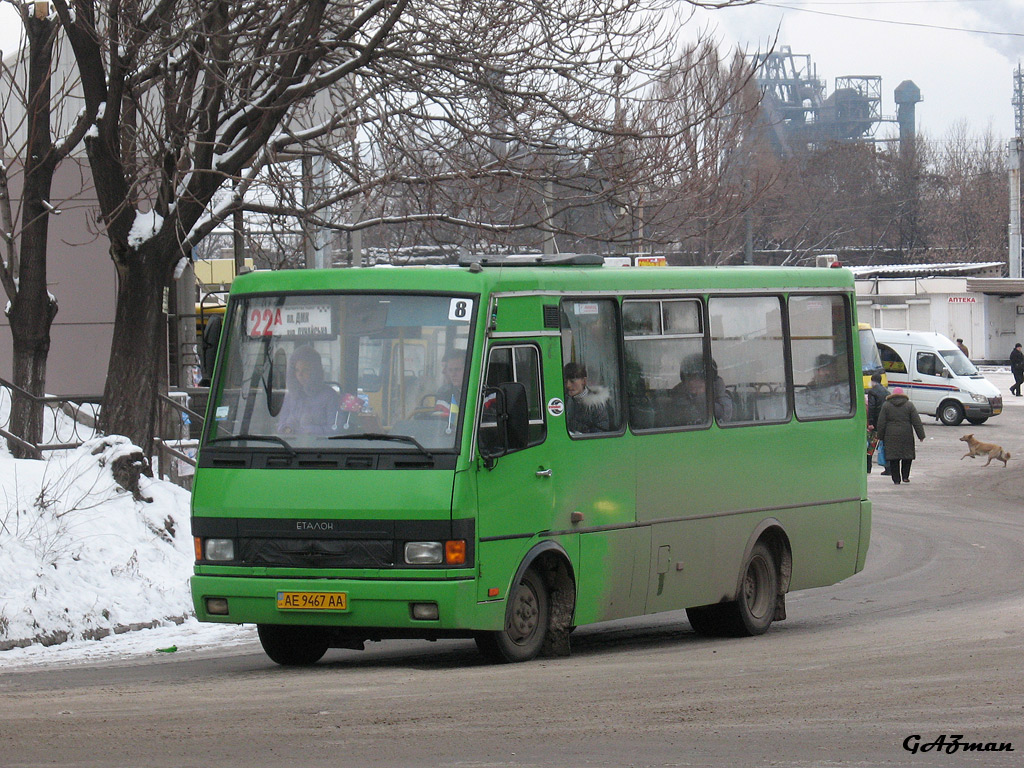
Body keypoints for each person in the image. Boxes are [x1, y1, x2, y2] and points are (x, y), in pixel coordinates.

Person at [277, 346, 338, 435]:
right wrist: (287, 429)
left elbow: (335, 429)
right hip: (289, 446)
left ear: (315, 371)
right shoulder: (290, 396)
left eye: (305, 370)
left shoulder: (330, 396)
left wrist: (307, 430)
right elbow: (281, 425)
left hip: (321, 447)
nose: (300, 374)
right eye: (297, 370)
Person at [875, 386, 925, 485]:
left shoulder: (886, 405)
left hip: (891, 435)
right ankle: (905, 477)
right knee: (907, 456)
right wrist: (921, 435)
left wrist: (880, 436)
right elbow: (916, 421)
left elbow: (881, 422)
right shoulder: (909, 405)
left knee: (894, 458)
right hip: (906, 434)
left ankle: (896, 479)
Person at [667, 353, 732, 425]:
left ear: (708, 380)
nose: (692, 382)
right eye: (688, 378)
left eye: (697, 378)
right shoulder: (677, 394)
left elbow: (723, 415)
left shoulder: (720, 396)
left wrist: (701, 398)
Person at [563, 362, 611, 434]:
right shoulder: (564, 401)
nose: (568, 385)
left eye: (572, 381)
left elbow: (601, 431)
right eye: (565, 382)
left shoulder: (597, 404)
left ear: (584, 381)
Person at [865, 372, 889, 474]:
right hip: (885, 423)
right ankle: (888, 468)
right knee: (885, 445)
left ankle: (868, 467)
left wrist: (870, 422)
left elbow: (872, 407)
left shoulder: (872, 392)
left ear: (873, 381)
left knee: (870, 447)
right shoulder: (886, 392)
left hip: (875, 423)